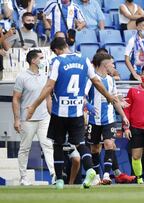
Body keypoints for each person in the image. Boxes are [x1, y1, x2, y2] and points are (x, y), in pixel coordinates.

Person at [25, 37, 118, 189]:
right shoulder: (84, 60)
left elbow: (49, 86)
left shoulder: (57, 61)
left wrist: (34, 106)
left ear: (55, 50)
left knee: (58, 145)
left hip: (59, 111)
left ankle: (60, 179)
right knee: (80, 143)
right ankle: (89, 169)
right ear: (67, 45)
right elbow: (96, 81)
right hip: (77, 111)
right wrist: (109, 96)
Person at [85, 53, 135, 185]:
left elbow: (115, 100)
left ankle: (107, 175)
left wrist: (123, 116)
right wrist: (87, 105)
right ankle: (96, 176)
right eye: (112, 63)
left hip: (109, 118)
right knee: (95, 149)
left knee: (109, 144)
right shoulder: (91, 79)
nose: (113, 66)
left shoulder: (111, 80)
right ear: (105, 64)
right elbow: (82, 96)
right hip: (94, 119)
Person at [12, 50, 55, 186]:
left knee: (48, 146)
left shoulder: (45, 76)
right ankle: (23, 178)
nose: (43, 60)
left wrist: (52, 116)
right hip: (27, 119)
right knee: (25, 148)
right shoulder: (21, 77)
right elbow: (16, 99)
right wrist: (17, 119)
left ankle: (54, 175)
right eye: (41, 58)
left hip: (44, 118)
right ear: (33, 61)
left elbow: (48, 97)